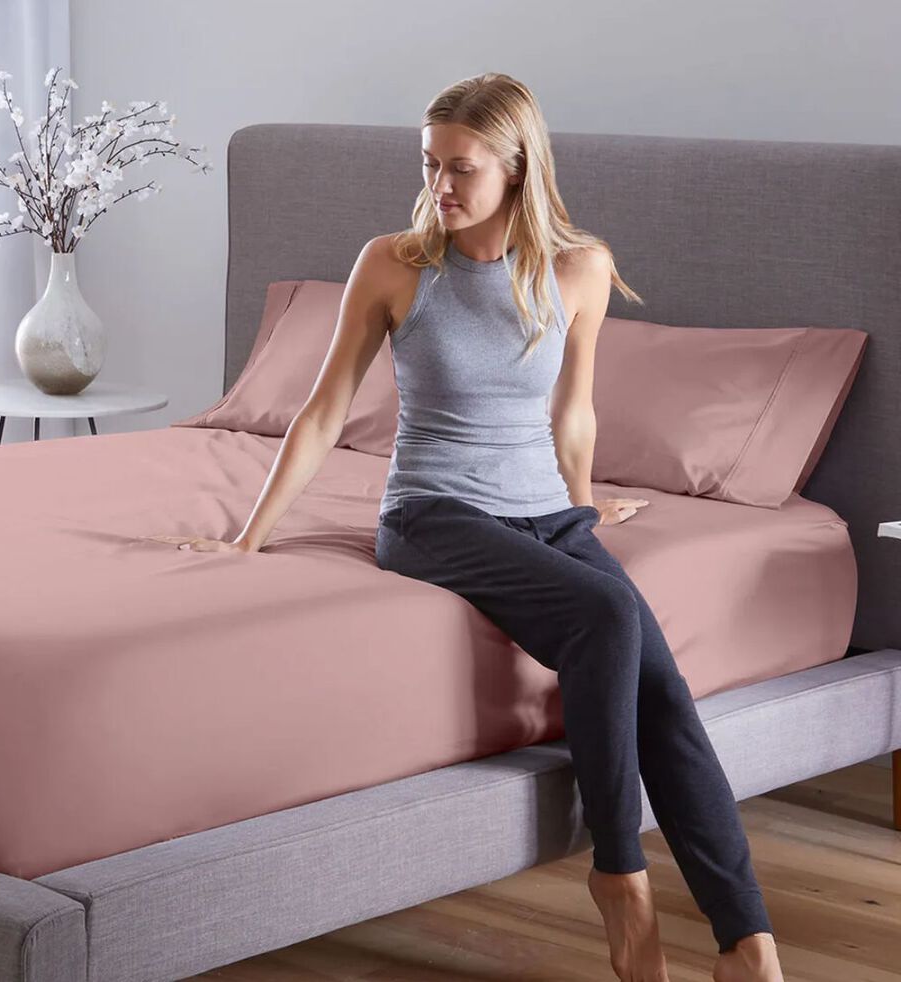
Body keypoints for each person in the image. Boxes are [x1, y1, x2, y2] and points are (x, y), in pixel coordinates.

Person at [148, 73, 784, 982]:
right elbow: (324, 411)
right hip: (431, 513)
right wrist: (249, 537)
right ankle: (619, 873)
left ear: (518, 170)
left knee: (663, 690)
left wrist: (582, 504)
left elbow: (574, 413)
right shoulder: (395, 263)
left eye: (462, 169)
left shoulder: (580, 269)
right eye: (429, 164)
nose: (439, 187)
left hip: (546, 518)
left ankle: (747, 942)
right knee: (608, 620)